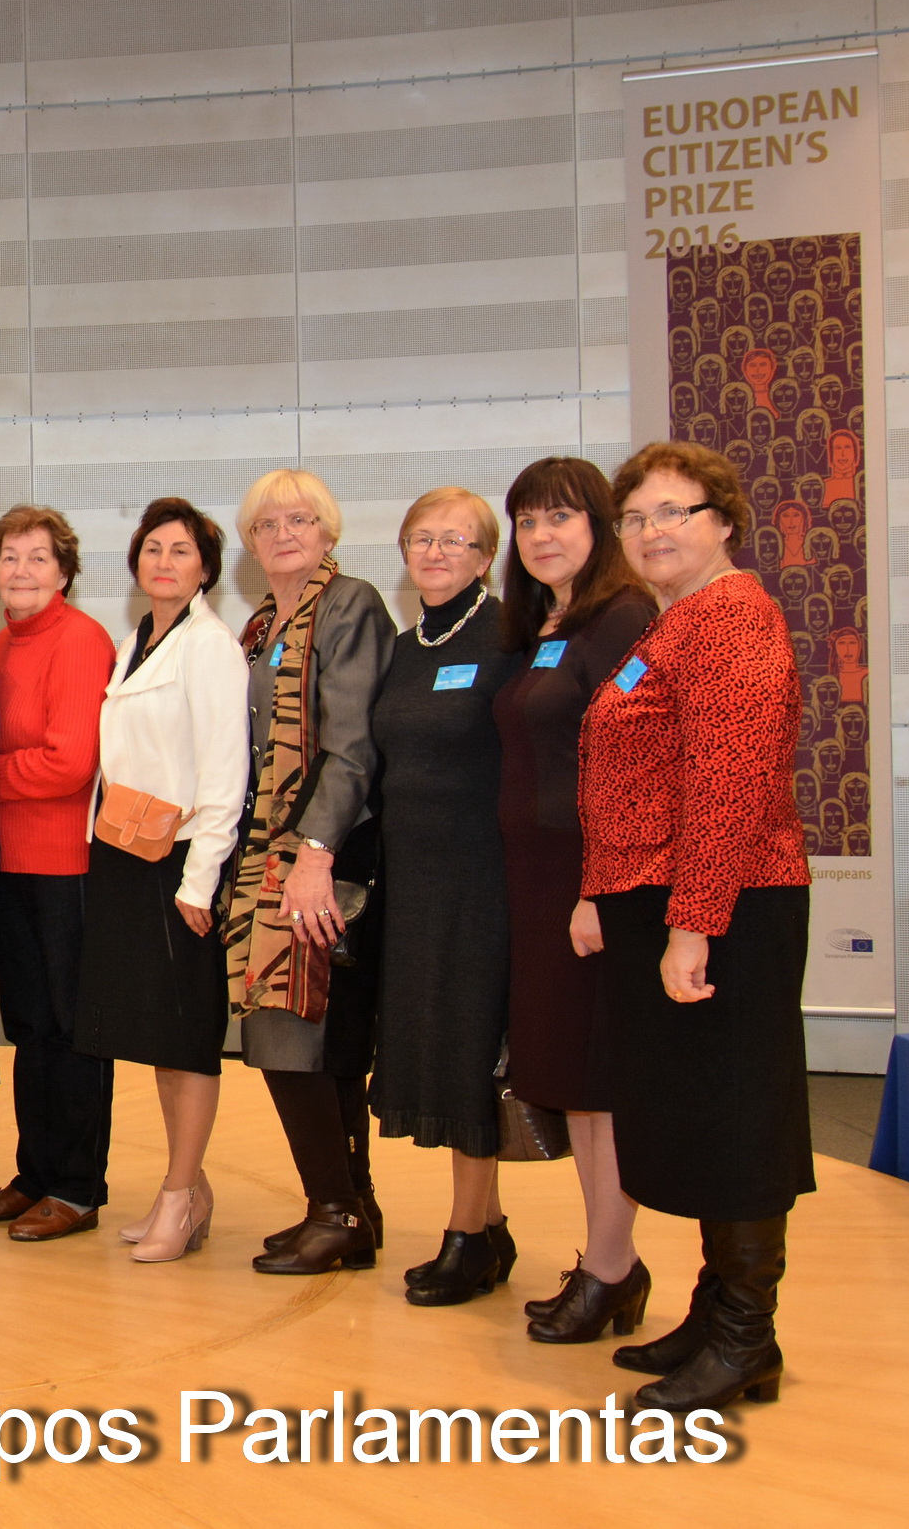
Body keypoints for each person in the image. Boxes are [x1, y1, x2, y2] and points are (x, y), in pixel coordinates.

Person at [579, 441, 810, 1413]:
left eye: (672, 511)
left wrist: (693, 923)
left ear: (723, 521)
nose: (651, 531)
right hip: (667, 902)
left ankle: (746, 1337)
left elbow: (729, 780)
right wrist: (604, 892)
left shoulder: (733, 614)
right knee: (702, 1116)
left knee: (738, 1118)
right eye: (634, 517)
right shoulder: (674, 621)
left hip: (725, 905)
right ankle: (716, 1313)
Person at [490, 457, 656, 1343]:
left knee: (602, 1081)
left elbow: (632, 765)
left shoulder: (622, 617)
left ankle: (612, 1267)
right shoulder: (544, 623)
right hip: (538, 878)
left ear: (599, 525)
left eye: (560, 517)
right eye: (527, 521)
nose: (541, 535)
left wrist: (600, 888)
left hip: (592, 878)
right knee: (575, 1083)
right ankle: (607, 1262)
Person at [222, 468, 395, 1276]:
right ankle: (348, 1207)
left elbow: (355, 745)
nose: (283, 534)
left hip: (323, 851)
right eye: (267, 524)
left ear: (328, 531)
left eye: (300, 520)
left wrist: (313, 855)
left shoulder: (351, 604)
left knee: (289, 1028)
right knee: (305, 1033)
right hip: (269, 850)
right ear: (251, 543)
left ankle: (336, 1210)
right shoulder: (262, 624)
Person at [78, 499, 249, 1263]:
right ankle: (189, 1186)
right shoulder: (138, 640)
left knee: (186, 1037)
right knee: (154, 1033)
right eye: (153, 548)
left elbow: (225, 772)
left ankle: (179, 1198)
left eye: (181, 550)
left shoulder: (210, 647)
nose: (165, 562)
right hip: (124, 853)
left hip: (179, 863)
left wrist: (200, 881)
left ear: (205, 566)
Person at [368, 488, 526, 1305]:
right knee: (433, 1041)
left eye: (455, 540)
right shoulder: (403, 649)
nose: (435, 553)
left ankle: (466, 1235)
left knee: (469, 1047)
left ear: (486, 556)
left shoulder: (509, 638)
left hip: (481, 879)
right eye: (422, 539)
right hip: (413, 880)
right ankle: (489, 1227)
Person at [0, 505, 117, 1243]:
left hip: (66, 866)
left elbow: (69, 763)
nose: (21, 570)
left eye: (37, 557)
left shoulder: (81, 640)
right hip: (7, 864)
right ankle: (35, 1174)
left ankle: (78, 1188)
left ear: (64, 572)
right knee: (29, 1028)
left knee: (72, 1029)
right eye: (9, 557)